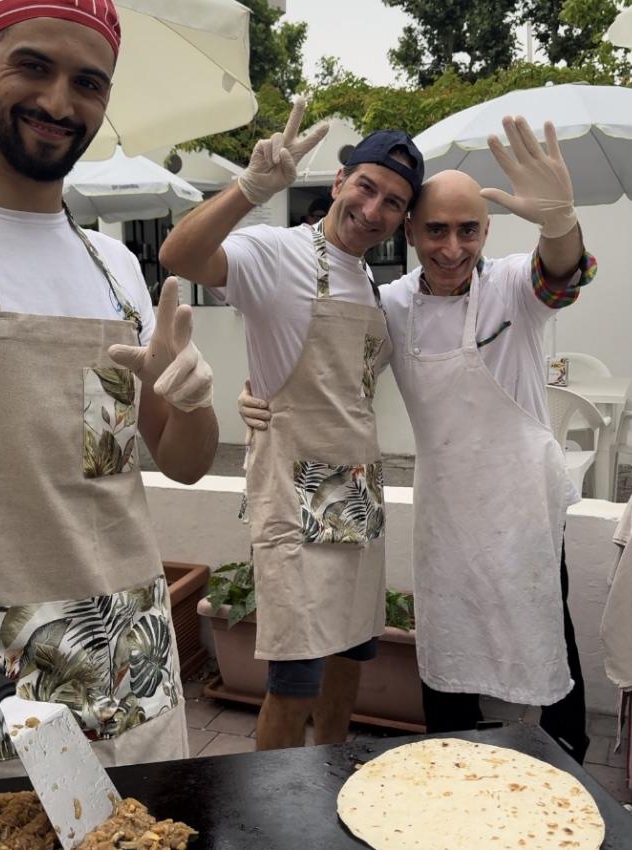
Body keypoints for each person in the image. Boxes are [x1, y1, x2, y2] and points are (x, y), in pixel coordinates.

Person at [238, 116, 596, 764]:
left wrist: (560, 222)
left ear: (487, 233)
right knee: (442, 659)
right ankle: (449, 766)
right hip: (445, 515)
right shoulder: (392, 303)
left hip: (522, 513)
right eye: (436, 229)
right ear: (410, 230)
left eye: (468, 231)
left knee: (545, 634)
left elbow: (561, 276)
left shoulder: (515, 287)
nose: (453, 247)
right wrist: (256, 392)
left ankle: (564, 759)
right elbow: (333, 366)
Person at [0, 0, 217, 783]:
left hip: (130, 653)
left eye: (87, 83)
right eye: (33, 66)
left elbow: (183, 462)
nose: (60, 103)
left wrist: (191, 401)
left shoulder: (117, 268)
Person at [159, 98, 424, 750]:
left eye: (393, 202)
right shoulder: (275, 253)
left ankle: (329, 779)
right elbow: (180, 255)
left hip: (357, 484)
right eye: (366, 187)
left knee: (348, 656)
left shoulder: (373, 287)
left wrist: (260, 387)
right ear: (338, 183)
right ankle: (273, 817)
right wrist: (250, 189)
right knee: (293, 675)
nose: (373, 209)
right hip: (290, 484)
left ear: (402, 218)